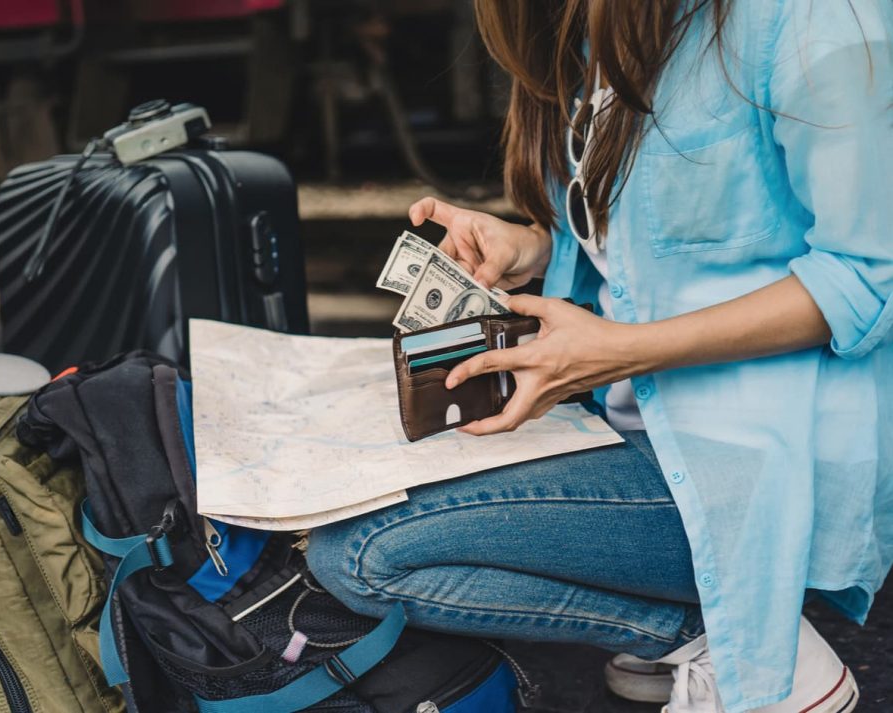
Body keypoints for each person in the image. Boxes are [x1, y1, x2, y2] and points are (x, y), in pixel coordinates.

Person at [307, 1, 892, 711]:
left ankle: (759, 655)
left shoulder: (813, 19)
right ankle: (696, 631)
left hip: (761, 465)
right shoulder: (593, 28)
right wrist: (536, 248)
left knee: (364, 553)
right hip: (640, 416)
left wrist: (620, 352)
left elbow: (871, 276)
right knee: (338, 512)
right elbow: (674, 246)